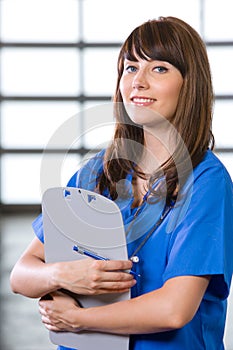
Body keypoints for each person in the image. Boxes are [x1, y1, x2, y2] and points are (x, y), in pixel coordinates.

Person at [10, 16, 233, 350]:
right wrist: (63, 276)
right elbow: (22, 274)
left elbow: (174, 310)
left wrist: (78, 319)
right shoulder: (97, 173)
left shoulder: (206, 181)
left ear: (190, 84)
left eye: (159, 69)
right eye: (130, 68)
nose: (138, 82)